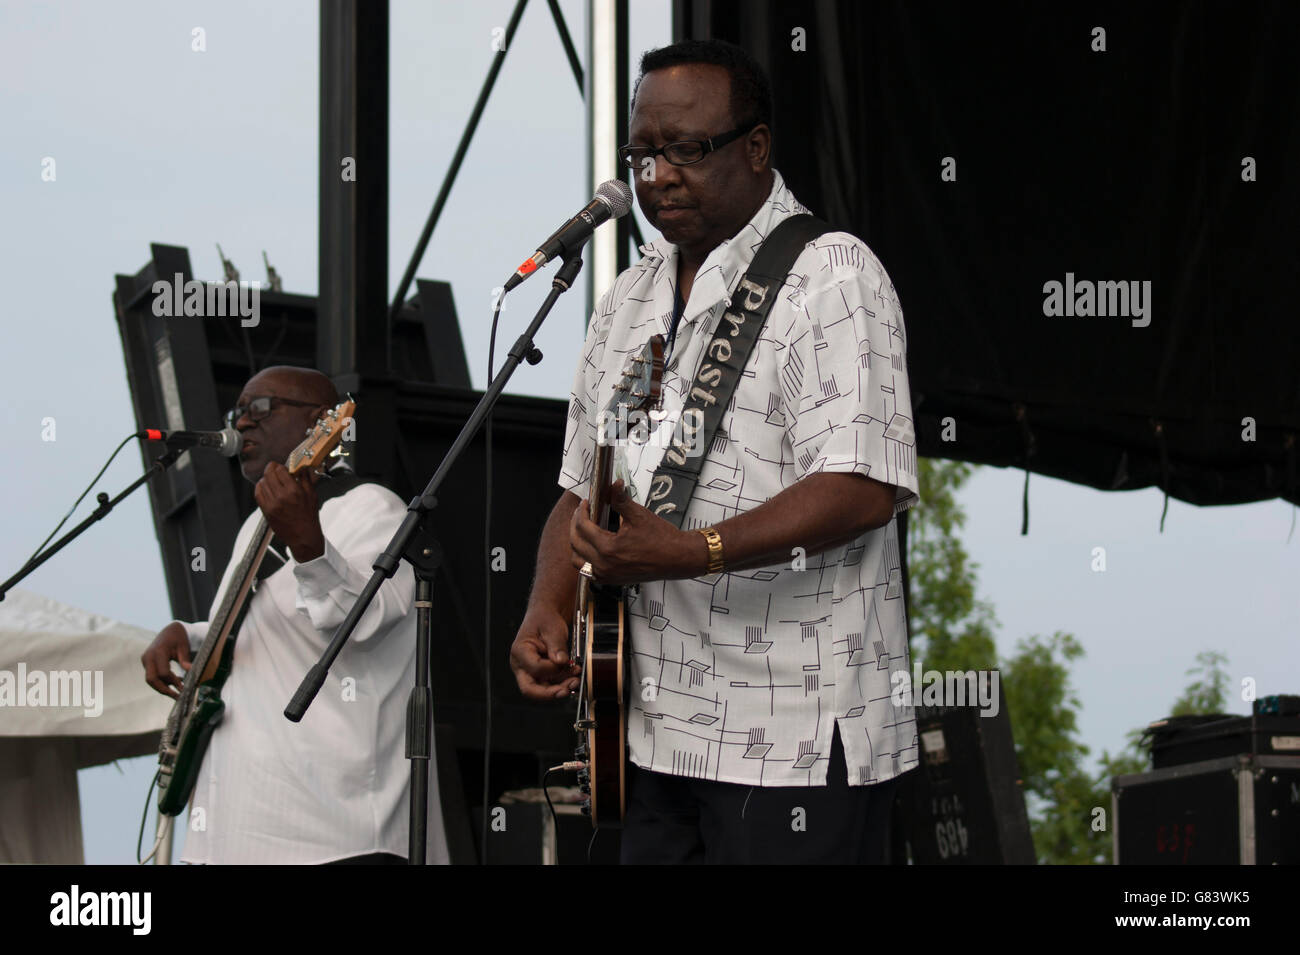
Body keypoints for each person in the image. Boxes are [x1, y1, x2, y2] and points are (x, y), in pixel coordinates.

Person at [509, 39, 920, 864]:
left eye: (685, 150)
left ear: (756, 148)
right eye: (642, 154)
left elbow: (862, 484)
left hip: (796, 739)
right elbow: (577, 489)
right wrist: (546, 607)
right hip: (653, 735)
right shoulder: (628, 297)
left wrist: (690, 551)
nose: (657, 175)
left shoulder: (832, 277)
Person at [141, 365, 448, 864]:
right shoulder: (254, 530)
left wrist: (308, 544)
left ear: (323, 423)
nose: (241, 424)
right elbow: (256, 626)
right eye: (237, 412)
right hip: (230, 838)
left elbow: (364, 622)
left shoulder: (372, 508)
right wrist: (188, 635)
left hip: (331, 839)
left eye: (259, 408)